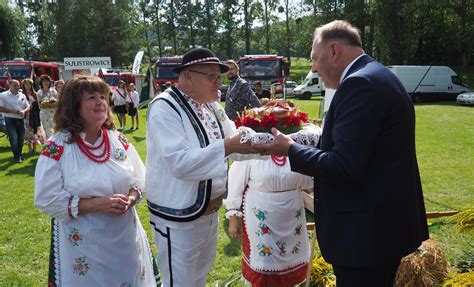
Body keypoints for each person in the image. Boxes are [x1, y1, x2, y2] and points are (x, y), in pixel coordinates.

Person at [254, 20, 429, 286]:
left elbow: (344, 166)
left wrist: (290, 149)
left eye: (314, 58)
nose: (313, 68)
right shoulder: (378, 74)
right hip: (381, 226)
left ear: (334, 51)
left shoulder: (359, 85)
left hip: (364, 236)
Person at [146, 47, 256, 287]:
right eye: (212, 77)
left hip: (207, 212)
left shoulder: (211, 106)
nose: (219, 83)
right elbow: (180, 164)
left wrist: (267, 143)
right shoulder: (164, 107)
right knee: (180, 282)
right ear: (187, 76)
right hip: (178, 217)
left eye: (220, 77)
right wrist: (228, 145)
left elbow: (234, 143)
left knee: (198, 278)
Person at [34, 76, 159, 286]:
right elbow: (46, 198)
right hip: (84, 243)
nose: (100, 101)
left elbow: (140, 177)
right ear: (73, 106)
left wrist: (131, 197)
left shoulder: (117, 139)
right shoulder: (57, 147)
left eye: (103, 96)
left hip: (124, 239)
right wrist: (96, 204)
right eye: (91, 97)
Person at [225, 154, 313, 286]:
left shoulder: (296, 147)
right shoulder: (252, 151)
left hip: (291, 219)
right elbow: (234, 183)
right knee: (265, 263)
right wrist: (233, 218)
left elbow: (309, 179)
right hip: (261, 218)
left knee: (289, 260)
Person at [0, 80, 30, 162]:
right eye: (15, 85)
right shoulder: (3, 95)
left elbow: (28, 106)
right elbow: (0, 108)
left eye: (18, 85)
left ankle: (19, 155)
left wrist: (24, 111)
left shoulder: (22, 95)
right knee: (14, 138)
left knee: (21, 138)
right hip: (10, 119)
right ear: (9, 85)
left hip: (20, 119)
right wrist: (12, 111)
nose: (17, 87)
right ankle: (17, 157)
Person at [21, 78, 46, 153]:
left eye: (29, 84)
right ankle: (29, 148)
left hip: (35, 115)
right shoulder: (21, 94)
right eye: (26, 84)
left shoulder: (35, 94)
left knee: (35, 130)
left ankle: (34, 148)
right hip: (26, 115)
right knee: (27, 131)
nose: (28, 86)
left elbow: (39, 104)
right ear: (24, 85)